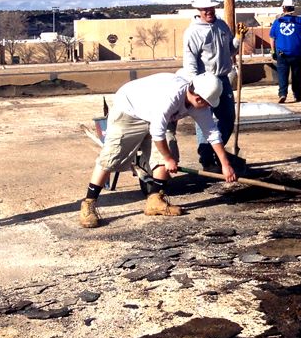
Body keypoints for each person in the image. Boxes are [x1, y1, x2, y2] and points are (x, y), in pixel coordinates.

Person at [80, 72, 237, 228]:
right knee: (111, 157)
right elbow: (157, 132)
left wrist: (225, 164)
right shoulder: (171, 97)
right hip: (130, 109)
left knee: (169, 150)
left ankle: (155, 200)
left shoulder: (199, 103)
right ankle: (88, 204)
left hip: (157, 114)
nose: (208, 107)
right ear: (198, 98)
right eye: (208, 104)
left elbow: (212, 132)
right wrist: (167, 159)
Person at [182, 0, 238, 170]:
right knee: (204, 119)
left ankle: (215, 151)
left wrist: (239, 38)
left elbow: (231, 49)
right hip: (204, 82)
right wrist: (195, 85)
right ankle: (206, 158)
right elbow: (189, 62)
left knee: (228, 118)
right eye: (204, 8)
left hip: (223, 79)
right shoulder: (193, 33)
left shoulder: (222, 26)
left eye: (211, 7)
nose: (208, 11)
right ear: (198, 10)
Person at [271, 0, 301, 102]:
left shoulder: (277, 22)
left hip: (282, 53)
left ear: (283, 8)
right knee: (296, 75)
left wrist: (273, 51)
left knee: (282, 75)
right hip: (297, 53)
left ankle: (282, 94)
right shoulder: (300, 20)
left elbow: (272, 37)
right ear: (293, 8)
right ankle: (297, 95)